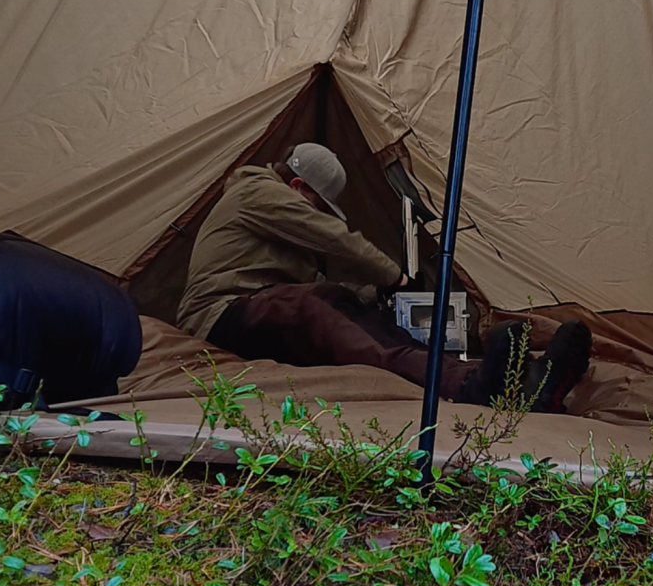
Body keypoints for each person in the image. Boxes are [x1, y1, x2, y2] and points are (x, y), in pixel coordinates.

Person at [176, 142, 591, 412]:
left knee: (349, 306)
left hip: (262, 306)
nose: (316, 215)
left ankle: (527, 378)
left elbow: (312, 274)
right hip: (219, 315)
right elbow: (331, 237)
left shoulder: (274, 227)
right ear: (297, 186)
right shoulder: (257, 192)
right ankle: (470, 387)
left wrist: (375, 294)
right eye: (317, 205)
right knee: (317, 306)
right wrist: (394, 276)